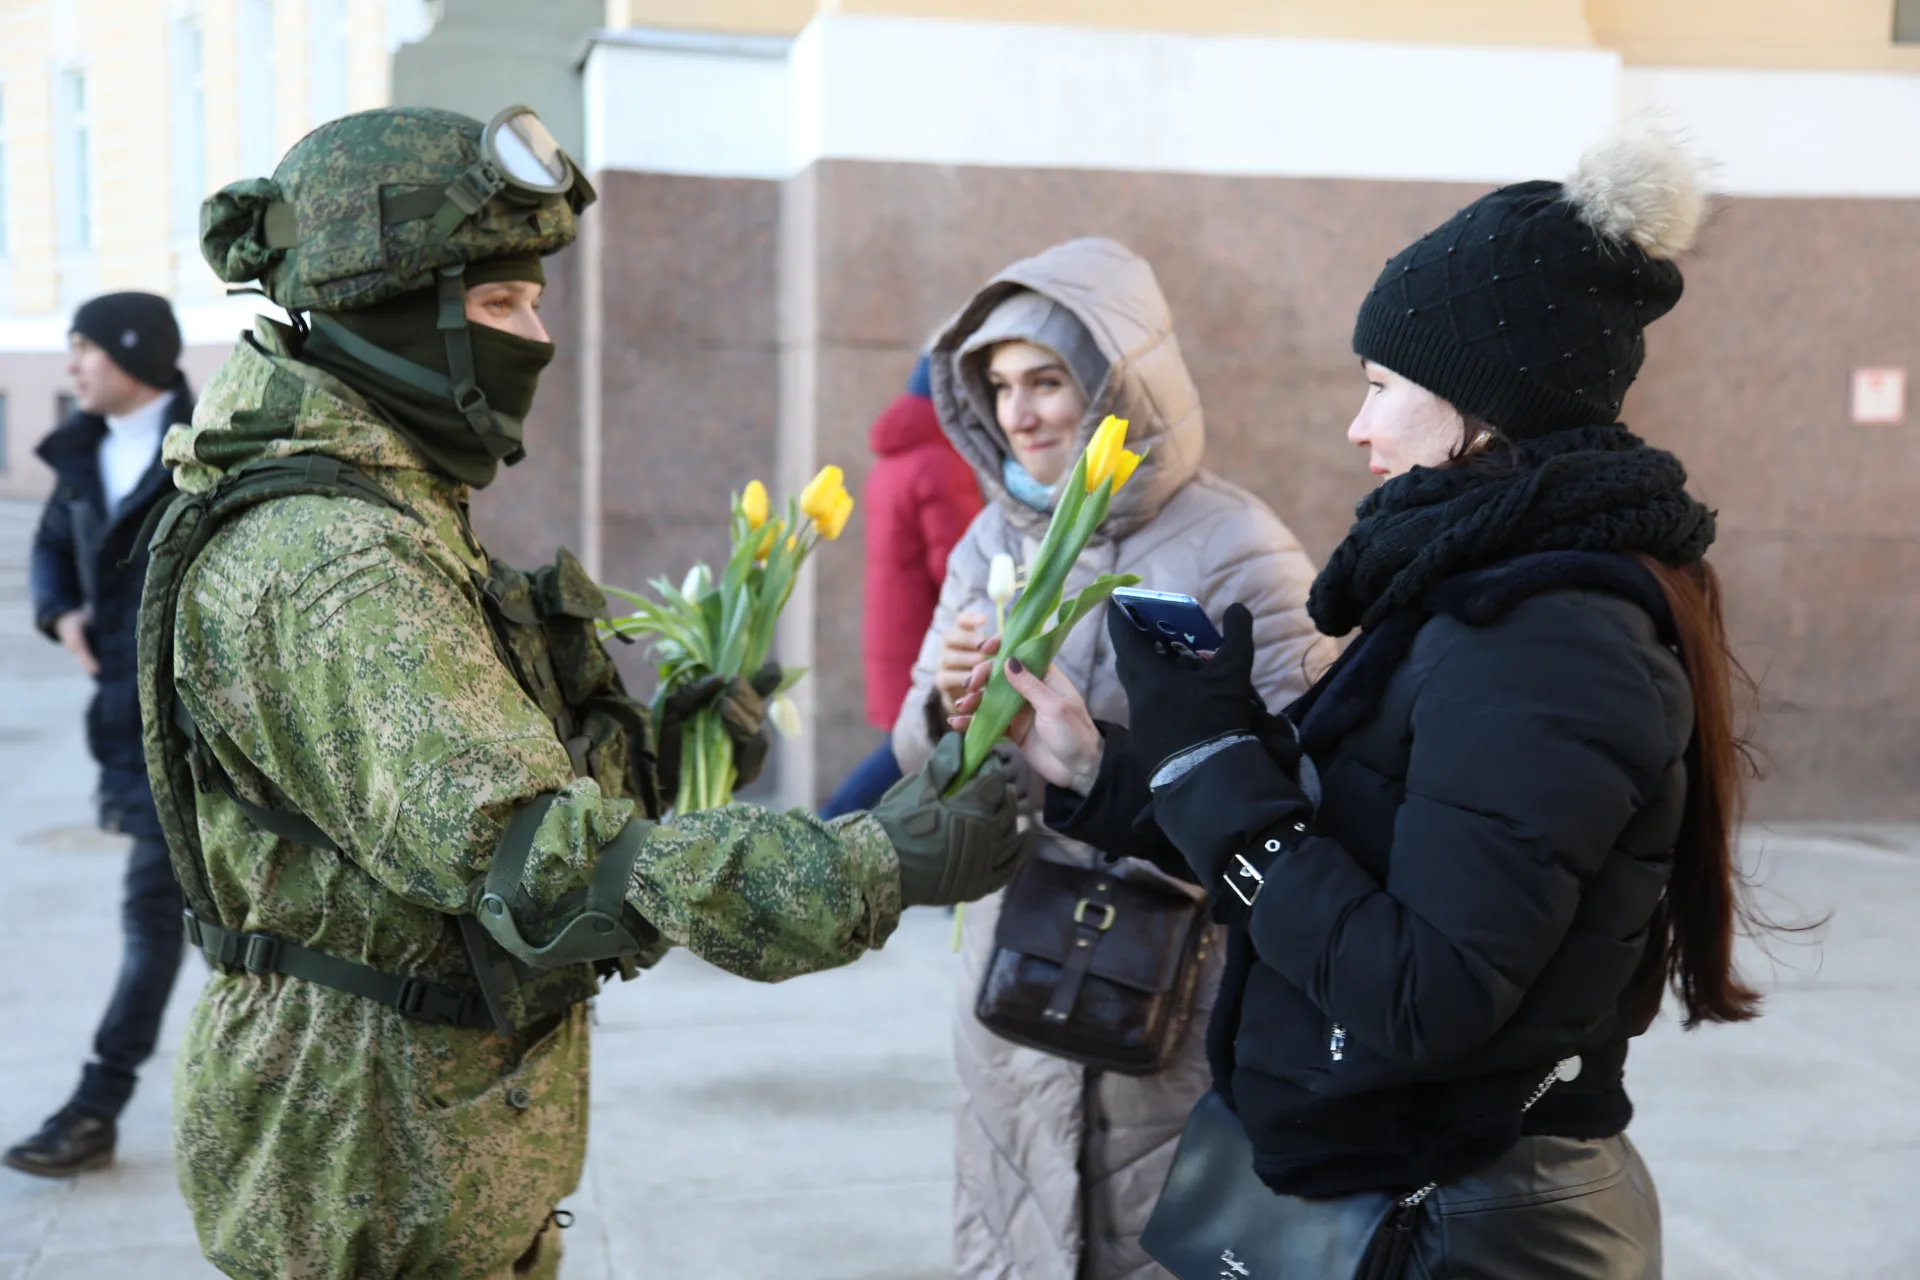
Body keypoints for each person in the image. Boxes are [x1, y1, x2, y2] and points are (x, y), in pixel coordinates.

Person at [143, 105, 1030, 1280]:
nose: (541, 338)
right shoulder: (331, 563)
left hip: (431, 1153)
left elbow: (425, 804)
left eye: (538, 299)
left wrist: (657, 754)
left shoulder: (386, 504)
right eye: (503, 305)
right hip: (369, 1175)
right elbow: (532, 862)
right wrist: (875, 863)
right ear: (393, 309)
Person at [966, 129, 1763, 1277]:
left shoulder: (1548, 640)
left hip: (1476, 1220)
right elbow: (1340, 838)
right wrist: (1109, 766)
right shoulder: (1473, 592)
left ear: (1483, 408)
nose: (1359, 425)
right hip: (1416, 1187)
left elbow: (1420, 989)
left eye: (1384, 386)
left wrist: (1209, 760)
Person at [897, 236, 1330, 1278]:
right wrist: (951, 704)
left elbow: (1302, 778)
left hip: (1174, 982)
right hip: (1015, 975)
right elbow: (921, 757)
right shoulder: (992, 541)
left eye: (1047, 380)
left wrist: (1106, 760)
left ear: (1122, 384)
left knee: (1152, 1236)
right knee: (1016, 1220)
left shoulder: (1236, 544)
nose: (1020, 413)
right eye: (999, 386)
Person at [8, 294, 196, 1178]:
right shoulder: (84, 453)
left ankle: (96, 1104)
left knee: (155, 918)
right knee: (167, 920)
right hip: (126, 733)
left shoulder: (210, 448)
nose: (72, 366)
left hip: (202, 742)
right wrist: (59, 613)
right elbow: (51, 543)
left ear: (134, 354)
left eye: (82, 347)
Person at [820, 353, 981, 819]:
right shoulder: (940, 462)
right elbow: (958, 564)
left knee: (904, 751)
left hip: (896, 627)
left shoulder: (896, 457)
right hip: (927, 636)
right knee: (902, 753)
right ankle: (824, 829)